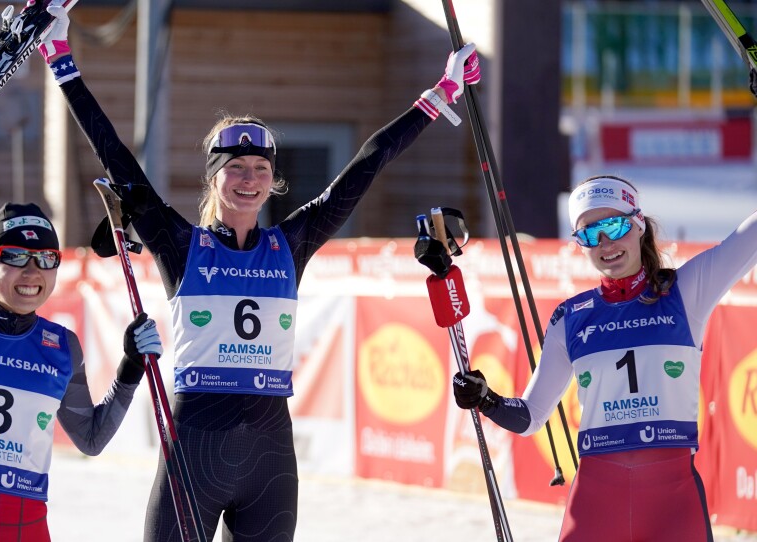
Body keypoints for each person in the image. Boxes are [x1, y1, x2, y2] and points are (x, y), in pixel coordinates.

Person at [36, 2, 480, 540]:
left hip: (269, 453)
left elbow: (369, 161)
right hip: (196, 447)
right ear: (214, 179)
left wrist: (440, 94)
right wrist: (62, 61)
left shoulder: (291, 243)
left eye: (261, 169)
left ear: (273, 180)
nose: (249, 179)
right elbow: (118, 161)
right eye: (236, 169)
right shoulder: (182, 245)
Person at [451, 174, 757, 541]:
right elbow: (531, 417)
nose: (605, 243)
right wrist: (486, 399)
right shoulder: (572, 318)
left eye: (614, 225)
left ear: (639, 224)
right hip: (597, 500)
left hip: (672, 501)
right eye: (589, 234)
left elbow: (748, 238)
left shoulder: (686, 292)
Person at [0, 202, 164, 542]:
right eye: (15, 256)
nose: (32, 271)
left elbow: (92, 439)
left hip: (26, 529)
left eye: (46, 259)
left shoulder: (62, 346)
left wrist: (130, 367)